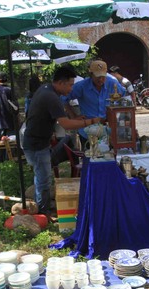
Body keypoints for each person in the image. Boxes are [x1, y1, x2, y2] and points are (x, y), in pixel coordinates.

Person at [23, 66, 103, 218]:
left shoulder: (47, 90)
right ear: (60, 83)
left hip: (38, 141)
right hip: (36, 144)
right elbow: (66, 125)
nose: (71, 88)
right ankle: (43, 212)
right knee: (44, 178)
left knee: (41, 176)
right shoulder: (51, 97)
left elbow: (62, 119)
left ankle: (42, 206)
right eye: (70, 84)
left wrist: (75, 119)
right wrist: (92, 121)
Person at [64, 60, 125, 143]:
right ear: (91, 74)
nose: (100, 79)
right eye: (97, 76)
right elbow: (63, 98)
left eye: (103, 76)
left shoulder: (112, 83)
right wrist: (73, 116)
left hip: (108, 129)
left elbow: (124, 97)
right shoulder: (81, 86)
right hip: (87, 130)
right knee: (89, 154)